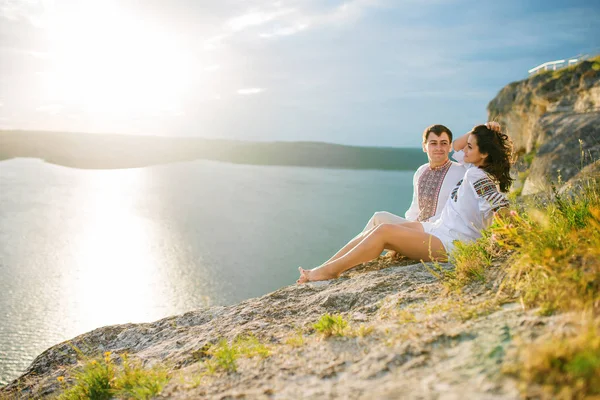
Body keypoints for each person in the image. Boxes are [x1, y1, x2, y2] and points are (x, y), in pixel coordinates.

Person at [297, 122, 513, 284]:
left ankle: (331, 271)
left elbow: (500, 206)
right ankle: (326, 267)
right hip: (438, 229)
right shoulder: (474, 169)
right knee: (381, 226)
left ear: (483, 153)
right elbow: (460, 146)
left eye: (469, 148)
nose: (462, 151)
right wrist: (482, 130)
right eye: (465, 147)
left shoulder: (475, 175)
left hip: (453, 242)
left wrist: (498, 244)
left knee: (384, 233)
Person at [361, 124, 465, 232]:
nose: (439, 148)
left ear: (450, 147)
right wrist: (409, 228)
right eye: (433, 143)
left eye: (443, 143)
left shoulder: (461, 171)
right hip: (417, 228)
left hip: (439, 231)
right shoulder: (421, 171)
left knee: (381, 224)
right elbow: (414, 209)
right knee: (379, 218)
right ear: (424, 146)